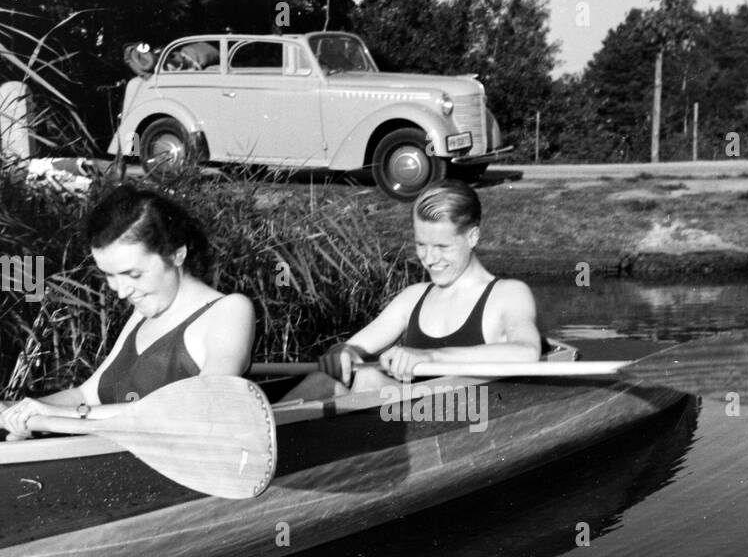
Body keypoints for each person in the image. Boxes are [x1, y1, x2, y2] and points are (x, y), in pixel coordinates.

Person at [0, 184, 255, 440]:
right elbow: (86, 396)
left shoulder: (230, 310)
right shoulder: (142, 314)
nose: (121, 292)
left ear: (177, 254)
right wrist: (17, 410)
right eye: (109, 275)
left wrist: (59, 417)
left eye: (134, 274)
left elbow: (203, 406)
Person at [303, 179, 541, 397]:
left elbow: (527, 352)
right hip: (408, 416)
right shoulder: (413, 296)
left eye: (442, 246)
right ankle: (267, 437)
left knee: (367, 379)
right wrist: (341, 353)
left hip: (464, 413)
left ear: (472, 237)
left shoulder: (509, 293)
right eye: (421, 244)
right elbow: (354, 348)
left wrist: (429, 356)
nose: (429, 258)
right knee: (322, 380)